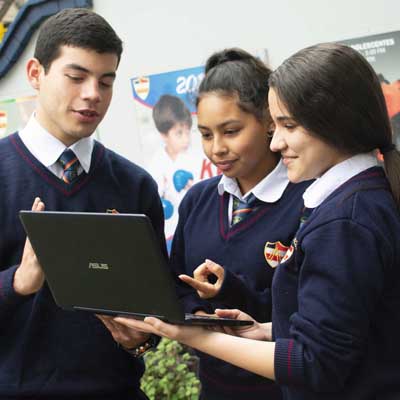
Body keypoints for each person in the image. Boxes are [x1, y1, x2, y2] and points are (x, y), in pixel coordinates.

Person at [115, 42, 400, 399]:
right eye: (206, 133)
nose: (276, 142)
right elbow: (334, 329)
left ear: (335, 122)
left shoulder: (345, 219)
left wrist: (196, 335)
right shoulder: (352, 204)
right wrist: (267, 330)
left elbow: (314, 362)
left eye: (288, 125)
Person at [0, 8, 166, 399]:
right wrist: (17, 282)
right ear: (36, 74)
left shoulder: (135, 185)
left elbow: (155, 307)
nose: (93, 94)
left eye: (106, 82)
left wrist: (140, 340)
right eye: (76, 77)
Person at [159, 48, 310, 399]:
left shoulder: (308, 199)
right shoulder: (198, 200)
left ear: (269, 121)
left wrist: (230, 291)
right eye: (206, 134)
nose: (217, 149)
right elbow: (177, 285)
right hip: (215, 388)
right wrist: (198, 313)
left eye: (230, 131)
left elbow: (306, 313)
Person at [147, 94, 197, 251]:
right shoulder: (156, 165)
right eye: (179, 133)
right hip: (172, 233)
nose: (186, 139)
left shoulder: (195, 157)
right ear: (164, 135)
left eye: (188, 132)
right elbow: (153, 202)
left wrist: (194, 187)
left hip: (196, 227)